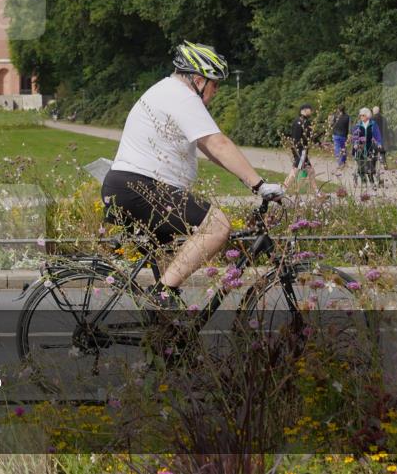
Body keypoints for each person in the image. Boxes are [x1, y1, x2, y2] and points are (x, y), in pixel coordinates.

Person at [101, 41, 284, 307]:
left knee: (174, 263)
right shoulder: (181, 96)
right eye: (214, 84)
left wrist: (247, 179)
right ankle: (163, 293)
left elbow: (210, 150)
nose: (216, 91)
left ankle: (166, 332)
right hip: (139, 187)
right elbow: (217, 144)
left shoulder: (169, 92)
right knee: (217, 226)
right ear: (198, 80)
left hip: (131, 187)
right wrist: (259, 185)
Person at [284, 104, 317, 193]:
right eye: (310, 109)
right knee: (295, 171)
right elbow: (295, 139)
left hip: (304, 151)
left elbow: (310, 136)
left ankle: (317, 193)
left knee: (310, 171)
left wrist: (320, 143)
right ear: (304, 110)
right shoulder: (298, 122)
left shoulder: (306, 122)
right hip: (300, 152)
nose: (311, 112)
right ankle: (282, 190)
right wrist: (297, 154)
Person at [351, 107, 382, 187]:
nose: (361, 117)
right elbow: (354, 136)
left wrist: (379, 143)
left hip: (370, 147)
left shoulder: (373, 124)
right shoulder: (358, 125)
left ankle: (371, 180)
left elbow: (377, 135)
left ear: (367, 116)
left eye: (363, 115)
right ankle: (363, 181)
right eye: (360, 115)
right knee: (360, 164)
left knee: (370, 165)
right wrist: (355, 143)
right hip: (360, 147)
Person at [330, 106, 350, 171]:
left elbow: (331, 125)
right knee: (343, 148)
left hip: (336, 135)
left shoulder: (335, 116)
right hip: (344, 135)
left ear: (338, 110)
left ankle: (340, 163)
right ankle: (344, 162)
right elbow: (348, 126)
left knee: (337, 149)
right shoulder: (347, 117)